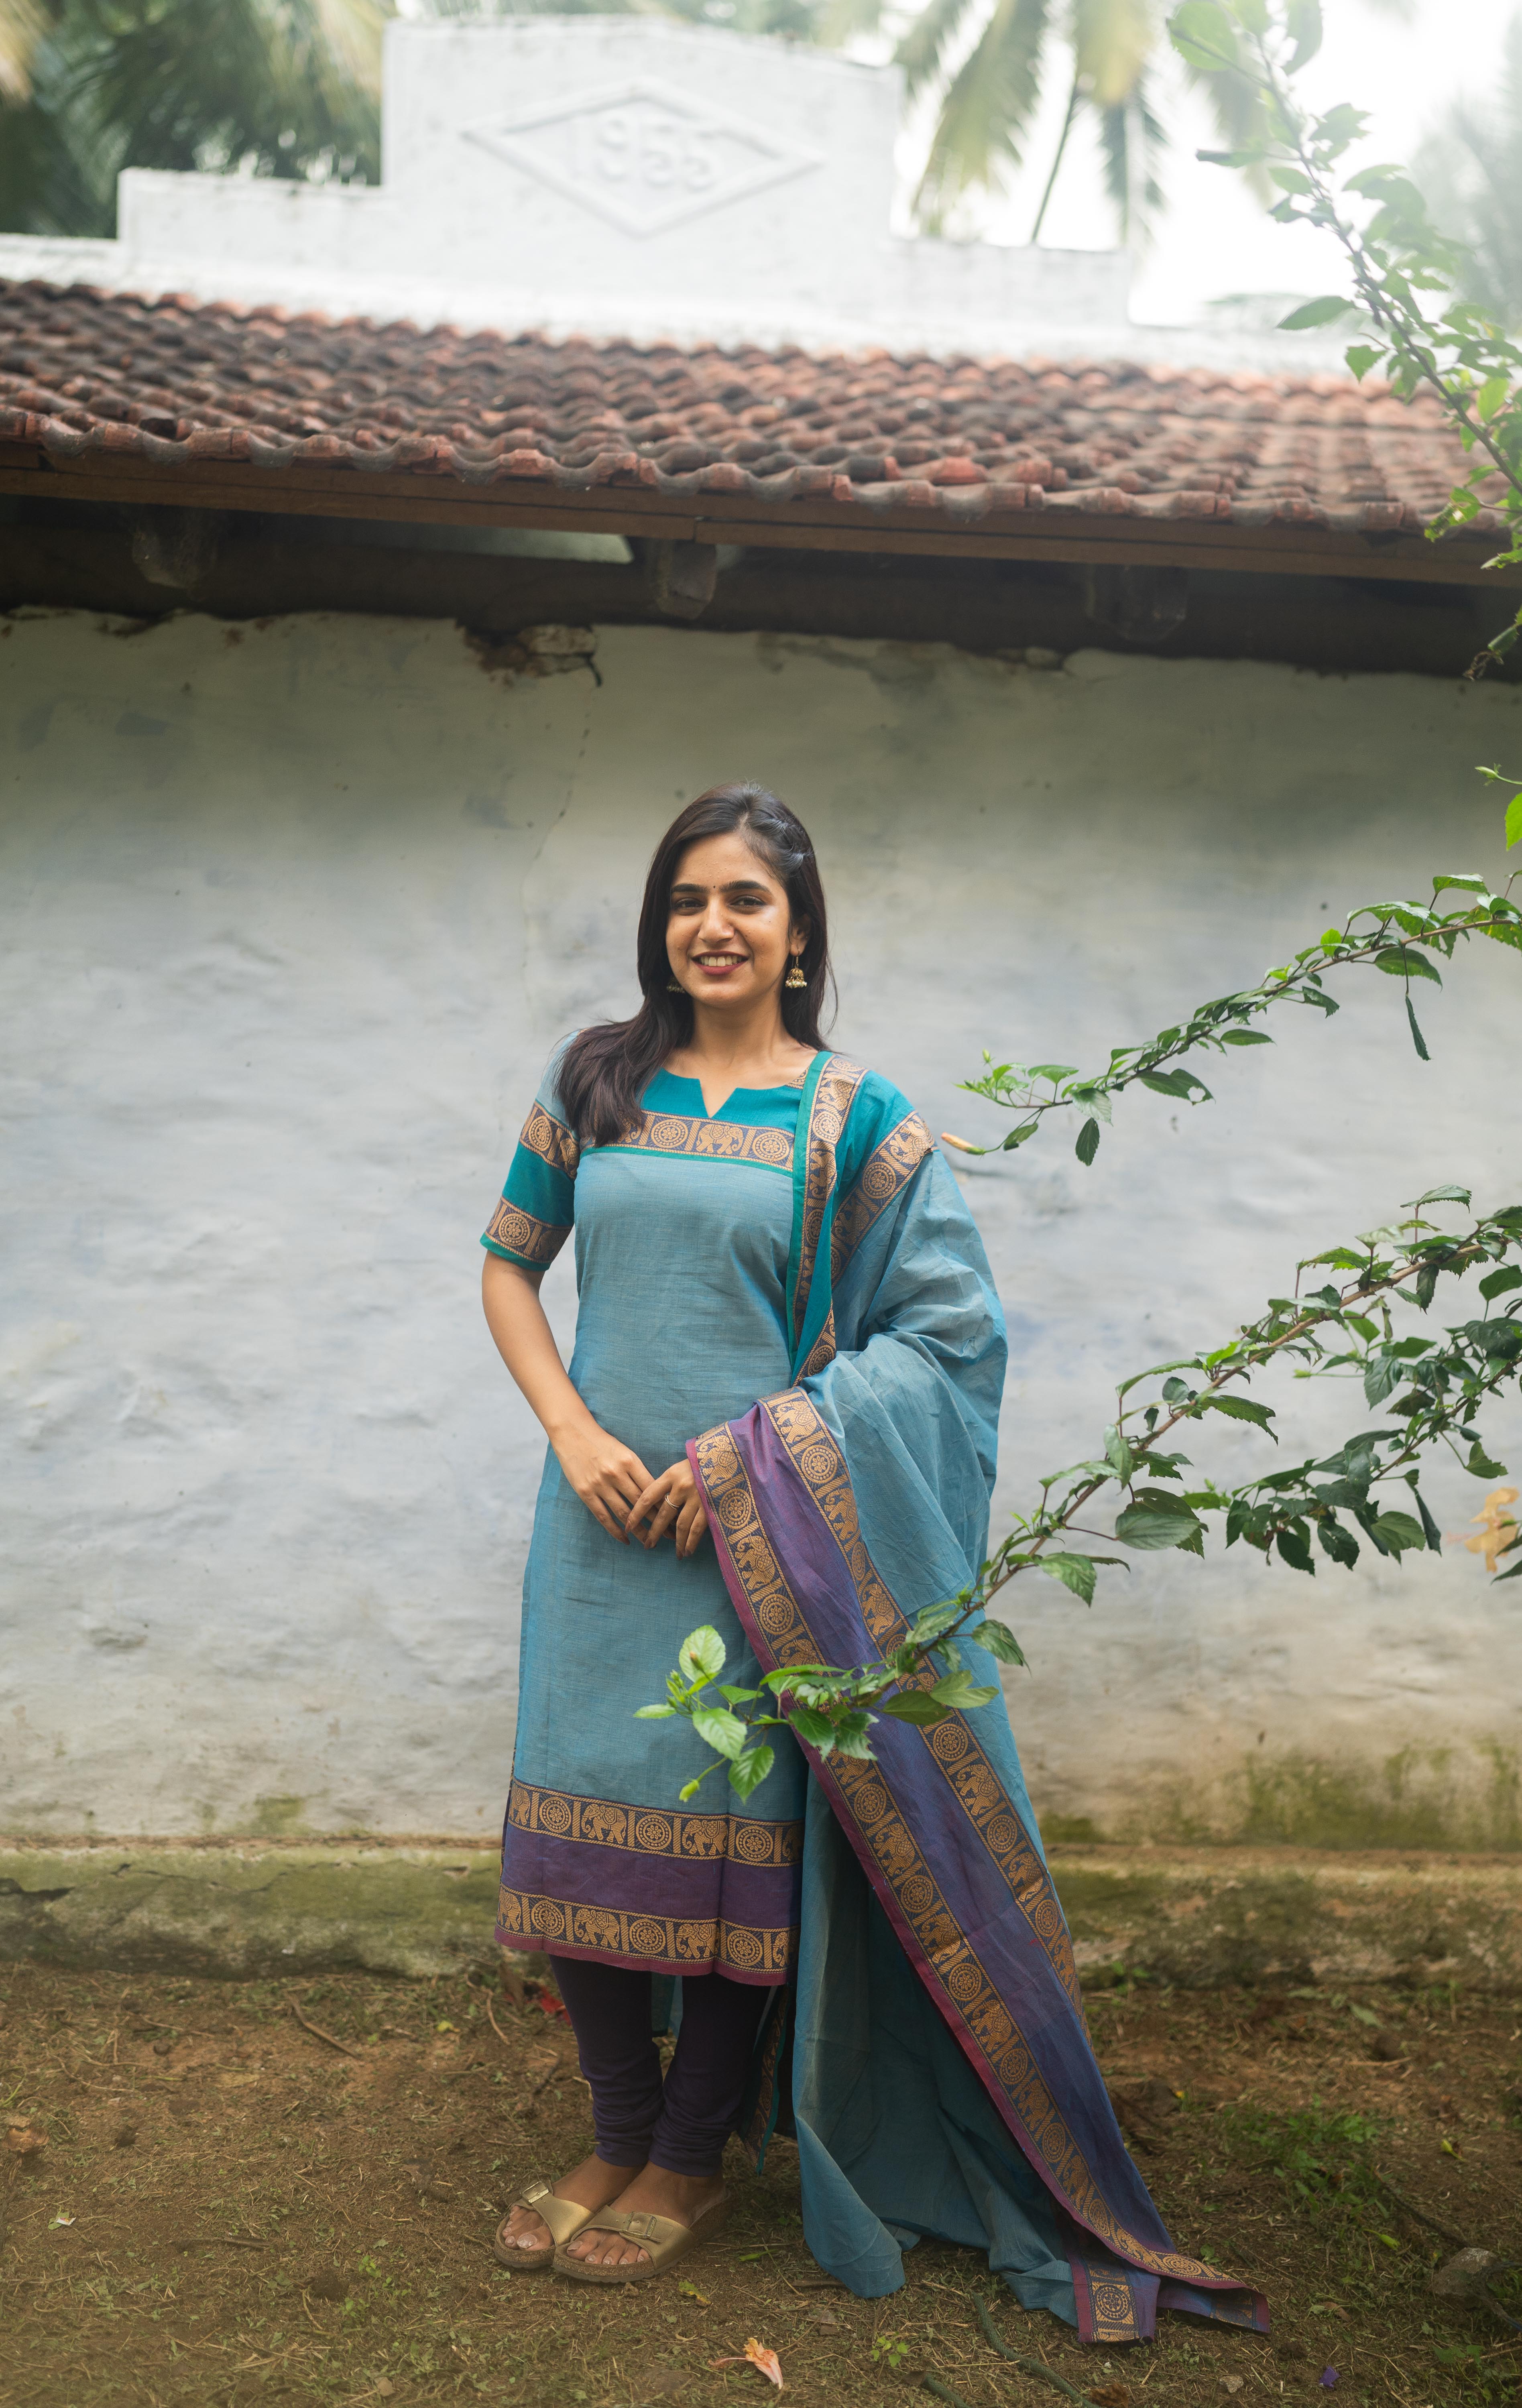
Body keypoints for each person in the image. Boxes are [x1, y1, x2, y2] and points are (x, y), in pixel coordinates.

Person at [479, 785, 1266, 2341]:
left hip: (763, 1547)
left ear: (797, 930)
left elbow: (950, 1335)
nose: (712, 923)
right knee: (584, 1841)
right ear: (661, 923)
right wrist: (572, 1432)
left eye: (746, 901)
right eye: (686, 897)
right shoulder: (594, 1082)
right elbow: (508, 1262)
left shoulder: (854, 1118)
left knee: (724, 1844)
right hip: (597, 1530)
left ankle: (689, 2160)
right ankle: (613, 2132)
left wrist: (748, 1463)